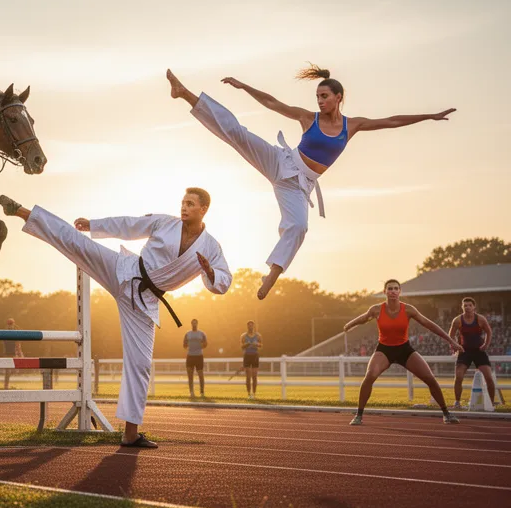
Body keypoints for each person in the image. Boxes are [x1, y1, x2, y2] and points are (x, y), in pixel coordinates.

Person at [165, 67, 455, 299]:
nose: (320, 101)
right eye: (318, 96)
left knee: (300, 227)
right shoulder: (308, 118)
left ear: (339, 97)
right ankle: (186, 94)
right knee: (237, 133)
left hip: (298, 187)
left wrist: (429, 116)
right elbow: (273, 103)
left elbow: (391, 121)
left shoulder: (352, 125)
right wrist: (244, 86)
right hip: (281, 162)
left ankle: (272, 275)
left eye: (325, 96)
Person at [0, 188, 233, 448]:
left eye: (190, 204)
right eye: (183, 202)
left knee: (141, 365)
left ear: (204, 209)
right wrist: (94, 225)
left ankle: (130, 434)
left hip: (144, 303)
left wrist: (210, 272)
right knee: (78, 244)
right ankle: (23, 212)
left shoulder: (211, 247)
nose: (184, 207)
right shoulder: (165, 222)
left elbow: (224, 282)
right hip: (124, 270)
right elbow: (130, 225)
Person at [342, 279, 464, 425]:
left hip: (404, 349)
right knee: (369, 376)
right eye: (389, 289)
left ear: (400, 292)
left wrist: (451, 341)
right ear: (384, 292)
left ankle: (446, 413)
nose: (392, 291)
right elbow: (364, 318)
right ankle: (359, 415)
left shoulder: (408, 309)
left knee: (430, 378)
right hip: (384, 350)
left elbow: (429, 324)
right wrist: (349, 324)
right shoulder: (376, 309)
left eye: (395, 288)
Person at [449, 297, 496, 409]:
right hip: (464, 351)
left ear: (474, 307)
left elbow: (489, 332)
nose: (468, 307)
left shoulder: (480, 319)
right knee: (458, 377)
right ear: (462, 307)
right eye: (465, 305)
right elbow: (450, 335)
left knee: (489, 377)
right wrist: (454, 345)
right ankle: (457, 402)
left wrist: (486, 344)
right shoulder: (457, 320)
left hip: (479, 351)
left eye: (470, 305)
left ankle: (491, 404)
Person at [183, 319, 208, 398]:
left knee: (201, 375)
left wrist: (201, 346)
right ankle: (191, 393)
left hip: (199, 356)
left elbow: (206, 343)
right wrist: (187, 346)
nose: (194, 324)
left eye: (195, 323)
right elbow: (184, 344)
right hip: (190, 356)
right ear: (191, 324)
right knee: (190, 376)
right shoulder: (187, 334)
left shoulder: (202, 333)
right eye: (193, 323)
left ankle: (202, 393)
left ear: (197, 324)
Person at [240, 321, 262, 399]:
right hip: (247, 355)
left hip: (255, 355)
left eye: (252, 326)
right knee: (248, 376)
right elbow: (242, 346)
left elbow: (261, 345)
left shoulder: (258, 335)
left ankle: (254, 394)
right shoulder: (243, 336)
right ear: (247, 327)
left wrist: (256, 344)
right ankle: (249, 394)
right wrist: (247, 344)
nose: (250, 327)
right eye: (249, 326)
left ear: (254, 326)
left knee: (255, 376)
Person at [3, 318, 24, 390]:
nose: (10, 325)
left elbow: (18, 344)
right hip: (7, 354)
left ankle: (8, 385)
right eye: (9, 324)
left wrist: (20, 353)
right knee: (7, 372)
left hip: (14, 354)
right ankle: (6, 386)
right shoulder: (4, 333)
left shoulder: (15, 332)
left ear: (13, 324)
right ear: (7, 324)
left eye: (11, 324)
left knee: (14, 369)